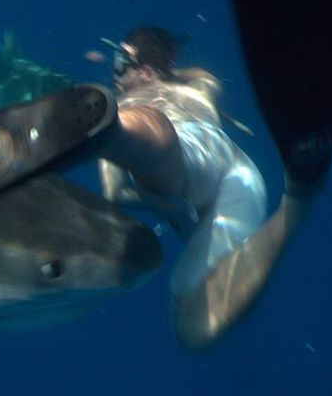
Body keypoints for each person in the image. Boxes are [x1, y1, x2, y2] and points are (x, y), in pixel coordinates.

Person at [97, 27, 268, 349]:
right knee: (188, 304)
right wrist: (164, 70)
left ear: (145, 70)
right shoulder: (201, 88)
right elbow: (204, 73)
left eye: (121, 62)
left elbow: (113, 194)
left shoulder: (122, 110)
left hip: (199, 162)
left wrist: (154, 201)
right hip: (241, 179)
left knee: (192, 322)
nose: (114, 72)